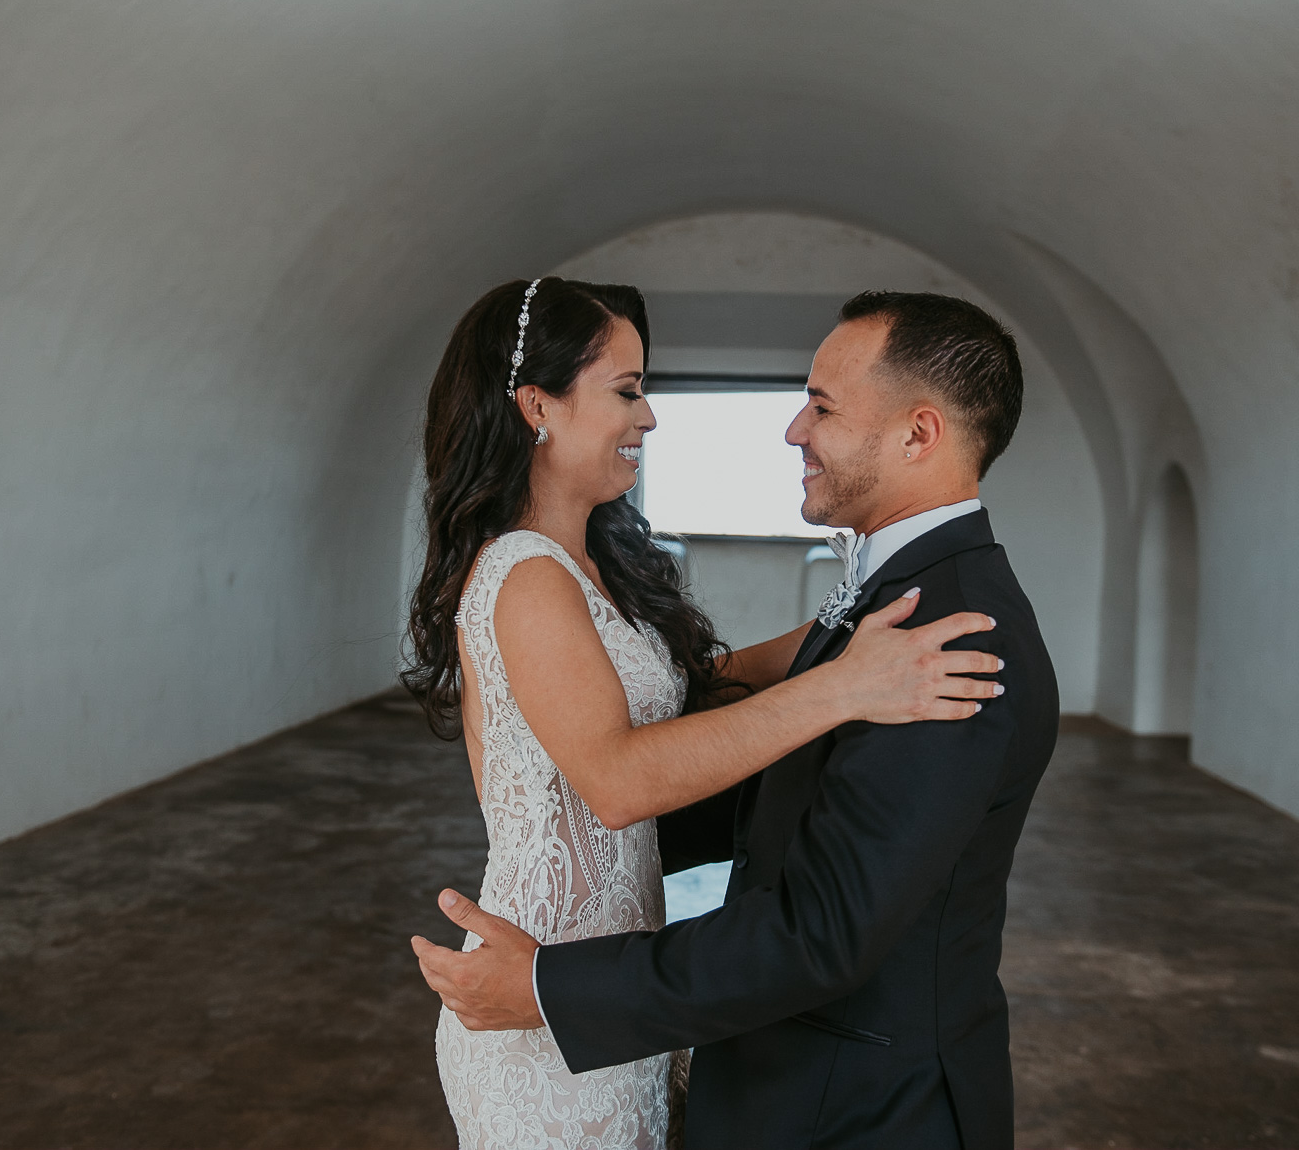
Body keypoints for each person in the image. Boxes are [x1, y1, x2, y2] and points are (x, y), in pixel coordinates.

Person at [414, 290, 1058, 1149]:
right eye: (627, 390)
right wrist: (830, 676)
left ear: (918, 434)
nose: (794, 431)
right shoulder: (893, 613)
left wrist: (556, 988)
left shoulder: (945, 637)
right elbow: (640, 765)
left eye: (821, 406)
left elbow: (822, 932)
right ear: (536, 407)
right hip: (600, 995)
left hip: (862, 1103)